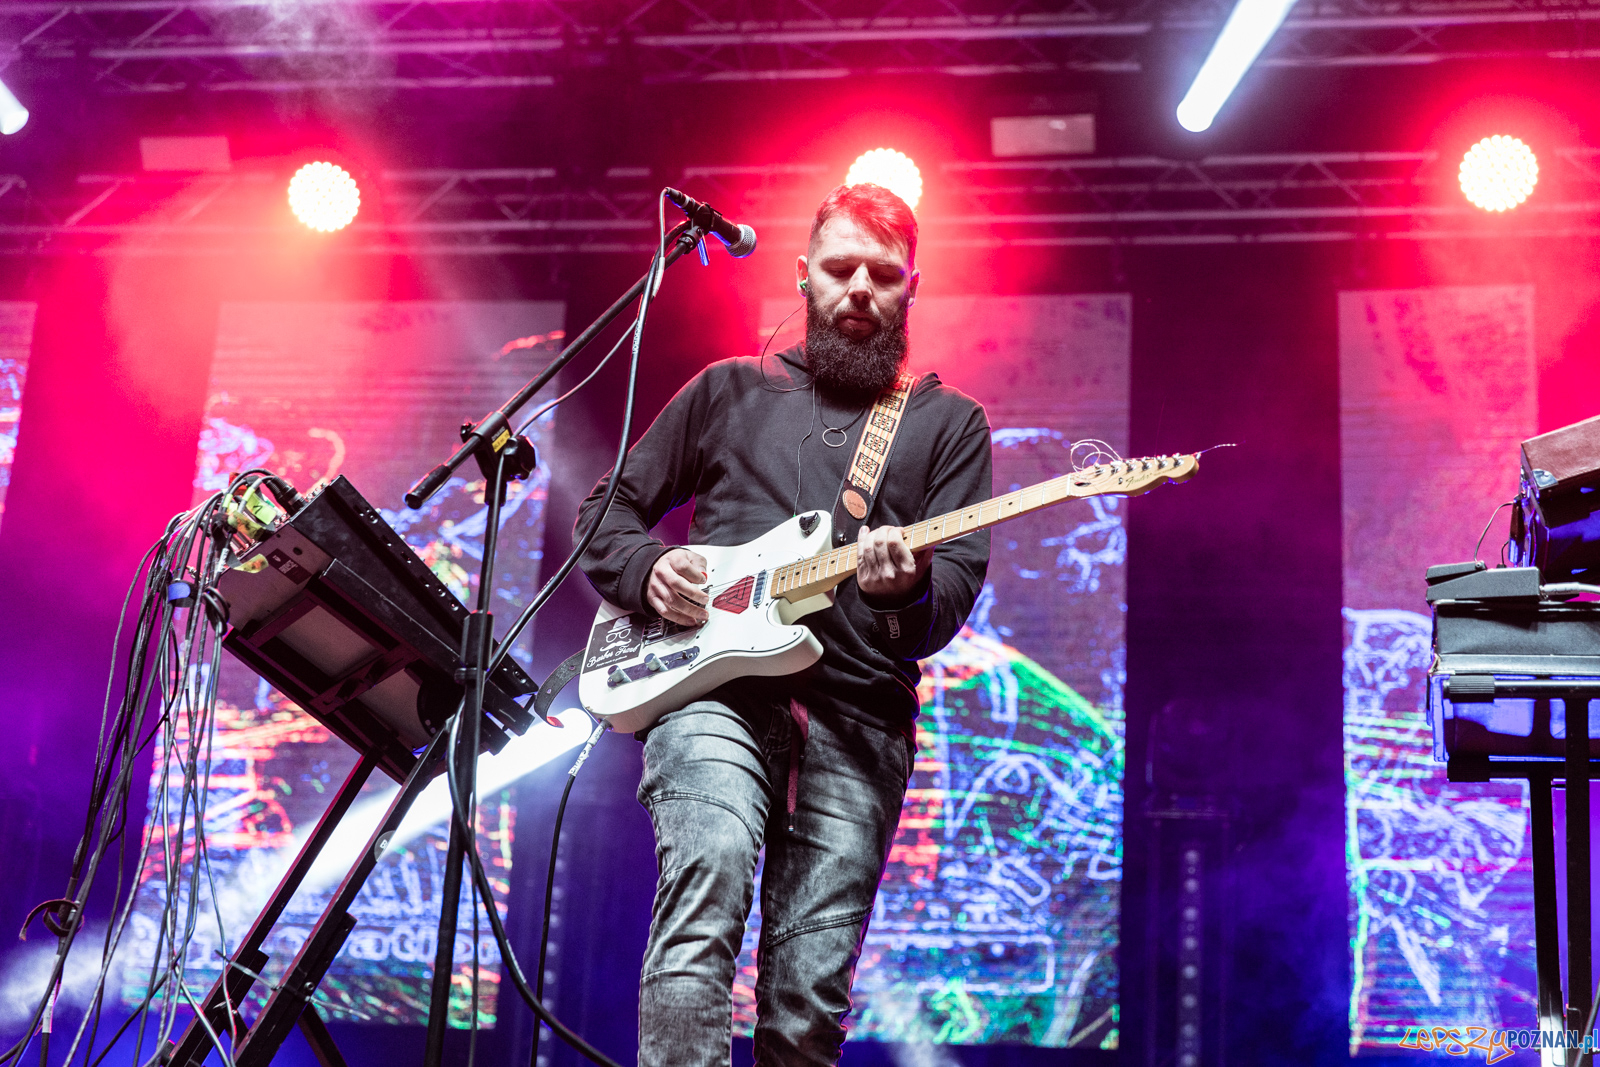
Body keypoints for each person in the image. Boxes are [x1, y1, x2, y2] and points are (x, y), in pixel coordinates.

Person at [576, 182, 992, 1065]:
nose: (860, 288)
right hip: (712, 693)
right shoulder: (727, 389)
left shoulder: (949, 423)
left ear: (912, 287)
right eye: (840, 269)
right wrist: (648, 568)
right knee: (708, 885)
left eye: (883, 274)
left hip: (858, 719)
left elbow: (947, 604)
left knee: (805, 1006)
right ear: (803, 274)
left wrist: (901, 591)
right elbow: (605, 514)